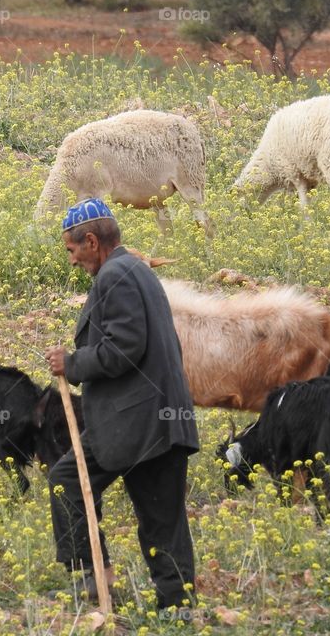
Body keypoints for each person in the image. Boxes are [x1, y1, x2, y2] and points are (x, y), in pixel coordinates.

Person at [44, 197, 199, 616]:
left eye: (72, 250)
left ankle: (95, 578)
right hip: (155, 418)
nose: (72, 261)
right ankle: (174, 603)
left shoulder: (115, 275)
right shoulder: (135, 270)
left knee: (69, 481)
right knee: (160, 515)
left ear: (91, 241)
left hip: (139, 424)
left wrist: (72, 364)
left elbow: (125, 347)